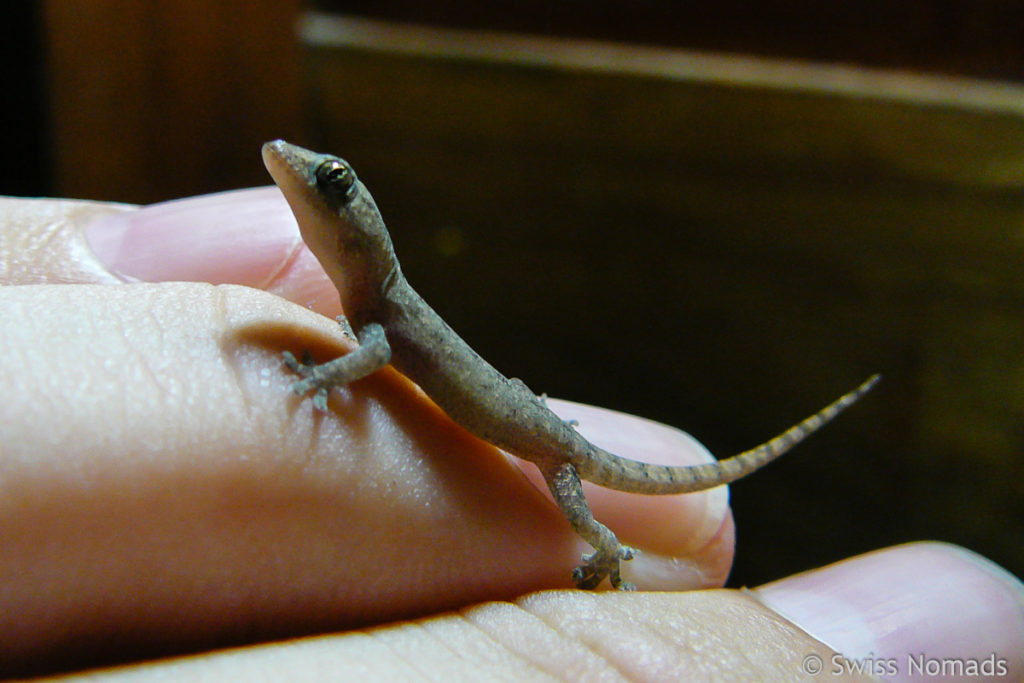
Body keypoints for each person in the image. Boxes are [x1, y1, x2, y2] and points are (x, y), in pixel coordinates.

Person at [1, 189, 1021, 679]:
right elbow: (373, 355)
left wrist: (319, 375)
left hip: (539, 435)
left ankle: (613, 549)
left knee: (577, 511)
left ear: (355, 229)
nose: (306, 186)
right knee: (571, 503)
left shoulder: (379, 312)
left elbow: (365, 359)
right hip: (524, 414)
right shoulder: (377, 299)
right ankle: (613, 545)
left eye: (331, 185)